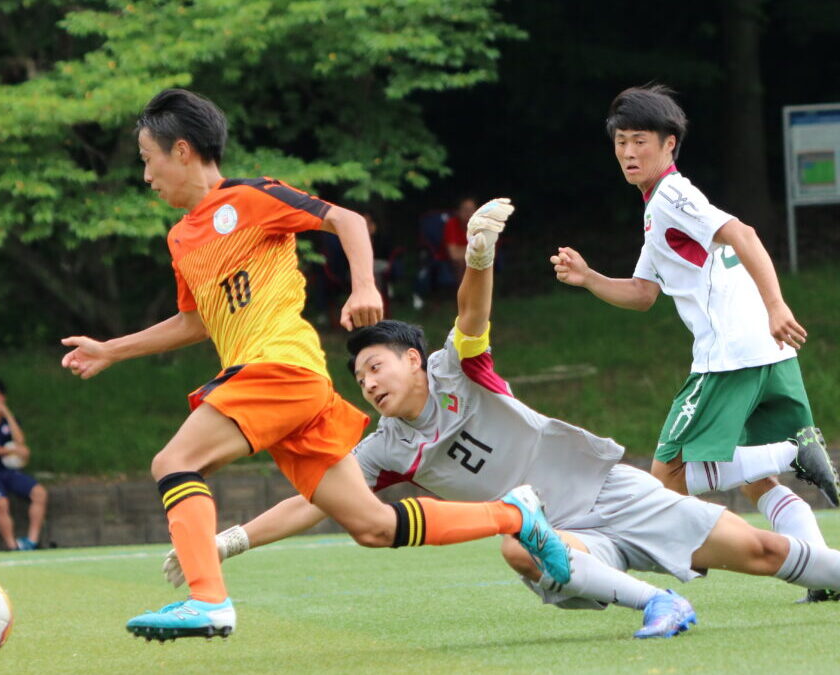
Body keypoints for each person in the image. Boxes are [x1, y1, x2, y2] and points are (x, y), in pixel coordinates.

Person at [163, 199, 840, 638]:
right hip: (564, 535)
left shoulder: (457, 368)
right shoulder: (385, 447)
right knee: (520, 541)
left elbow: (471, 312)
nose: (367, 383)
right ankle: (659, 603)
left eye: (375, 367)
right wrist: (230, 541)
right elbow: (314, 499)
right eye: (359, 377)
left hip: (608, 489)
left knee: (764, 553)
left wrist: (479, 254)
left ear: (414, 360)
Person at [58, 89, 568, 642]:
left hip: (279, 367)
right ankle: (515, 515)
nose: (145, 176)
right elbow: (195, 321)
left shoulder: (251, 197)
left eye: (146, 159)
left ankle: (207, 601)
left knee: (175, 461)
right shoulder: (181, 238)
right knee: (373, 526)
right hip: (288, 388)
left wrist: (364, 285)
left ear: (181, 150)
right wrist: (111, 350)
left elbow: (346, 220)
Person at [549, 84, 839, 600]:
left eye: (640, 140)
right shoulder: (657, 209)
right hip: (767, 352)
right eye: (620, 142)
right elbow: (643, 294)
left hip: (730, 356)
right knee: (752, 480)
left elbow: (745, 235)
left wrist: (777, 305)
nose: (628, 152)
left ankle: (791, 453)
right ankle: (825, 575)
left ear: (669, 144)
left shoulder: (672, 196)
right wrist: (590, 278)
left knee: (669, 477)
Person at [0, 378, 48, 551]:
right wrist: (12, 451)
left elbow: (20, 441)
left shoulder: (10, 421)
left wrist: (7, 414)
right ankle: (12, 546)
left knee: (40, 493)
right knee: (2, 503)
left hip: (10, 472)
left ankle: (32, 541)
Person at [442, 196, 478, 281]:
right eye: (465, 210)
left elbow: (488, 252)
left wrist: (461, 250)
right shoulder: (451, 224)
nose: (468, 214)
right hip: (450, 262)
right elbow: (454, 255)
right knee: (461, 262)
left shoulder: (483, 226)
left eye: (471, 210)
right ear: (458, 212)